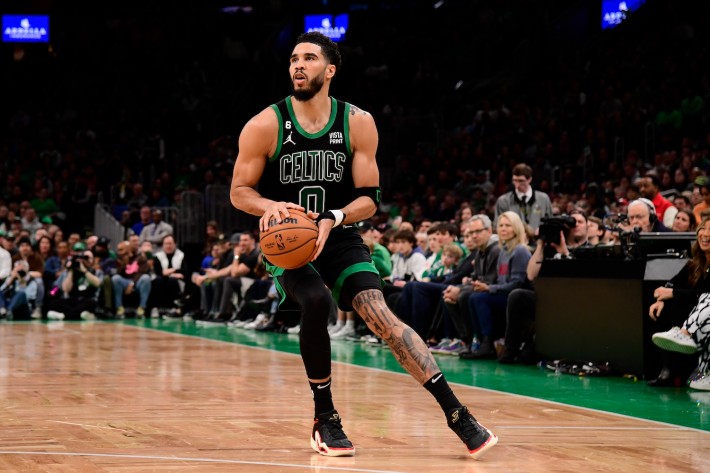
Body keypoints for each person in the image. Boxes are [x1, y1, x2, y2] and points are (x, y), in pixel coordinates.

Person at [230, 32, 497, 459]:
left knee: (379, 313)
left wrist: (333, 217)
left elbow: (369, 198)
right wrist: (270, 205)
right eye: (294, 59)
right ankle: (325, 418)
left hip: (339, 234)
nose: (298, 65)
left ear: (330, 70)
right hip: (288, 243)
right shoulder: (265, 124)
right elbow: (239, 190)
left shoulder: (357, 122)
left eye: (310, 59)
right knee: (315, 300)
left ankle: (457, 413)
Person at [648, 217, 710, 389]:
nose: (705, 234)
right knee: (664, 307)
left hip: (706, 319)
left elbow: (705, 295)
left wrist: (673, 293)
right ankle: (669, 369)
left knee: (684, 301)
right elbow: (672, 283)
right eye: (702, 229)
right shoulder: (695, 263)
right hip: (695, 313)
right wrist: (661, 299)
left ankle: (685, 336)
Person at [461, 211, 531, 360]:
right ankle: (479, 342)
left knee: (480, 298)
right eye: (501, 226)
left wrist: (490, 288)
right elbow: (501, 281)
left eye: (508, 225)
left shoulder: (520, 251)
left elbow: (518, 284)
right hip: (503, 293)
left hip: (515, 298)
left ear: (516, 228)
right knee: (473, 297)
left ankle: (488, 345)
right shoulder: (504, 251)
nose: (503, 229)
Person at [441, 216, 500, 356]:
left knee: (465, 296)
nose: (474, 236)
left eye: (478, 231)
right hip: (483, 289)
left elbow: (489, 281)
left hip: (496, 291)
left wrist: (460, 290)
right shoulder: (480, 252)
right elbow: (474, 279)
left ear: (489, 231)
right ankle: (467, 341)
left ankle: (482, 343)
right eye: (471, 232)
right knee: (450, 296)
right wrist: (456, 289)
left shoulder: (496, 250)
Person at [201, 232, 260, 324]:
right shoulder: (244, 255)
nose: (242, 243)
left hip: (253, 283)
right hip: (242, 282)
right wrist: (207, 277)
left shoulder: (254, 255)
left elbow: (234, 273)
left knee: (228, 280)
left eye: (245, 240)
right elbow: (227, 270)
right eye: (241, 240)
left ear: (252, 241)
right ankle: (214, 312)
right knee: (220, 279)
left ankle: (223, 314)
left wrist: (236, 255)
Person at [46, 249, 102, 320]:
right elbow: (66, 289)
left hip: (87, 300)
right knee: (54, 303)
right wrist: (72, 270)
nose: (88, 260)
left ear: (93, 260)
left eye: (89, 258)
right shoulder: (73, 272)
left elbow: (97, 283)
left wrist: (84, 270)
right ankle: (82, 315)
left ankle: (64, 316)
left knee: (92, 303)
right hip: (73, 300)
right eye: (85, 258)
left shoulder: (97, 272)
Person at [494, 164, 552, 231]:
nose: (517, 185)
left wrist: (542, 233)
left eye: (521, 181)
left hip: (539, 240)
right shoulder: (503, 201)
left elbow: (550, 224)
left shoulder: (543, 199)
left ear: (529, 179)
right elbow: (498, 226)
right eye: (515, 180)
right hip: (513, 241)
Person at [112, 241, 152, 317]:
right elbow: (117, 273)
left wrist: (132, 283)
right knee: (115, 278)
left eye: (121, 250)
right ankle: (119, 308)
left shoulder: (140, 259)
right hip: (124, 282)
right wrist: (123, 266)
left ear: (128, 249)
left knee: (146, 278)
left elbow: (142, 272)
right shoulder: (119, 260)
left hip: (137, 282)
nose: (119, 252)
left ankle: (142, 308)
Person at [12, 236, 45, 318]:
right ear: (19, 248)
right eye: (22, 246)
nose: (25, 248)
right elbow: (12, 272)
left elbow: (40, 273)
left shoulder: (37, 257)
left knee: (39, 281)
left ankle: (38, 307)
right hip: (19, 281)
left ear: (30, 247)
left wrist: (27, 273)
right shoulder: (15, 258)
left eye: (27, 245)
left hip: (32, 281)